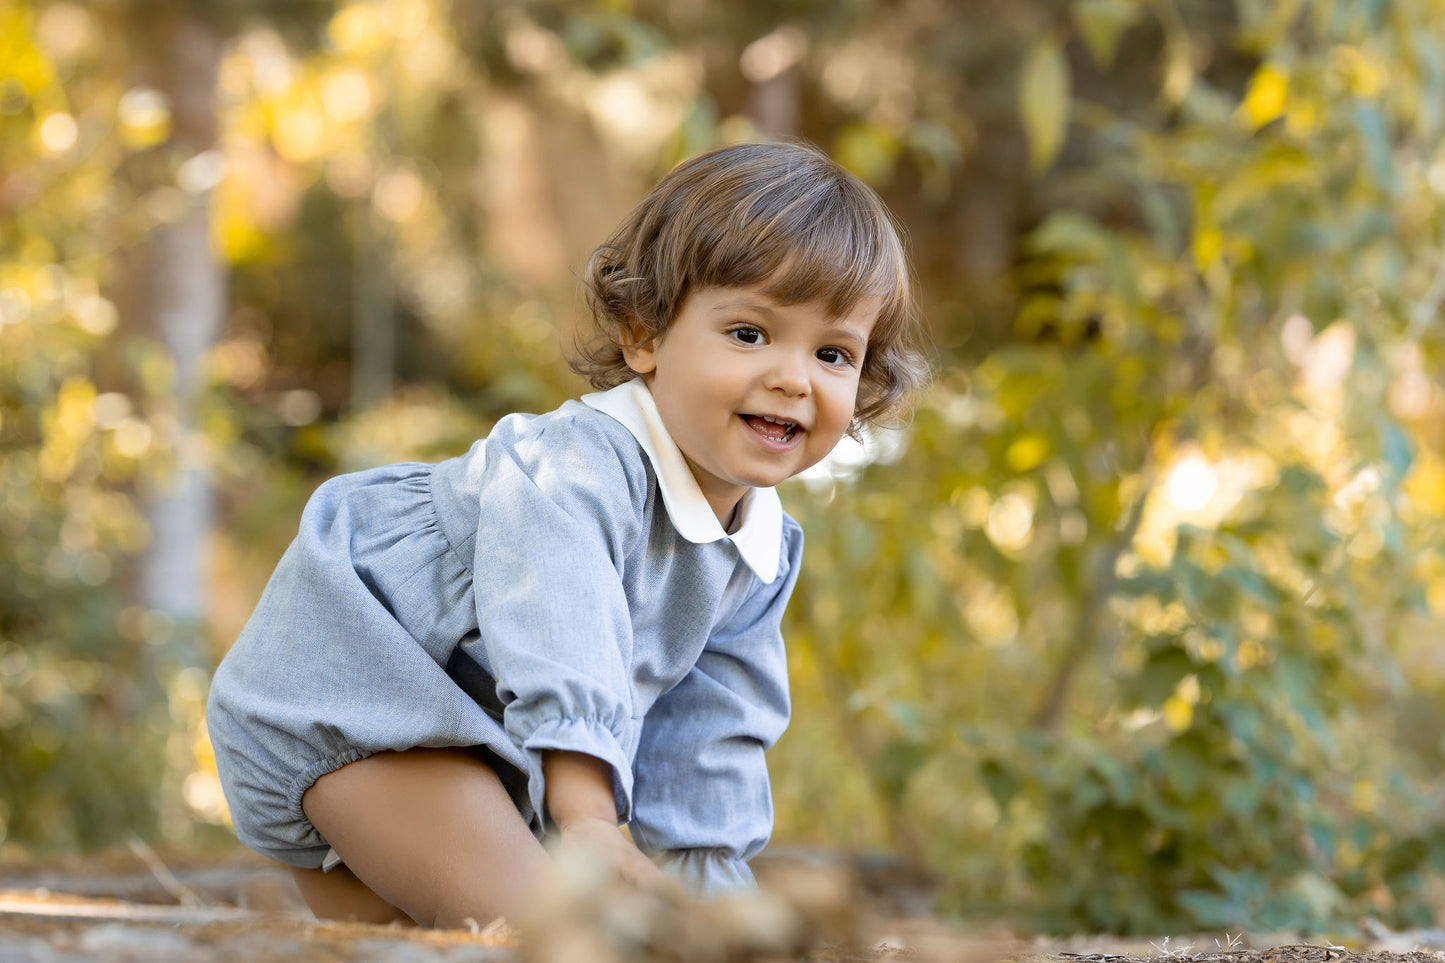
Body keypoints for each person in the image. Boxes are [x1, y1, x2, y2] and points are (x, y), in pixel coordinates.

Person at [205, 139, 930, 929]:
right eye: (750, 333)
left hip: (494, 759)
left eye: (832, 353)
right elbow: (561, 624)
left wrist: (712, 898)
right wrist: (587, 820)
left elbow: (710, 736)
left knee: (491, 935)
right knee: (558, 928)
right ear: (642, 335)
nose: (794, 377)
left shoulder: (759, 547)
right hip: (362, 705)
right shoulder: (576, 467)